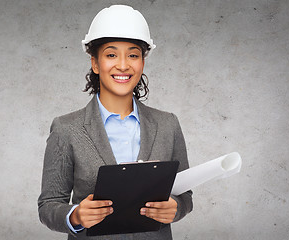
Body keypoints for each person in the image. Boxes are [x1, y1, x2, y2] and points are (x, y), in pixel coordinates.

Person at [38, 5, 193, 240]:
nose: (123, 65)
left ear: (142, 62)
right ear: (95, 63)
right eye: (111, 55)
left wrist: (176, 207)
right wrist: (76, 215)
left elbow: (185, 195)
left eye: (133, 55)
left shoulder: (167, 124)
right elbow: (49, 205)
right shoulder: (66, 128)